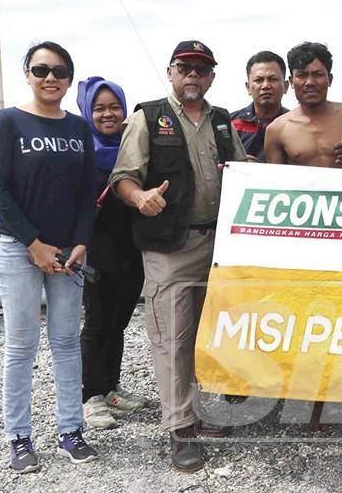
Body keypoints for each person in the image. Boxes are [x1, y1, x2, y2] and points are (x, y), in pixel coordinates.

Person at [109, 40, 247, 472]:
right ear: (171, 72)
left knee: (209, 335)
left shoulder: (224, 122)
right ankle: (180, 427)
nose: (193, 75)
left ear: (211, 77)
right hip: (170, 246)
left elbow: (246, 170)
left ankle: (199, 411)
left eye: (202, 69)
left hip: (219, 246)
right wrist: (141, 197)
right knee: (172, 338)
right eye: (185, 67)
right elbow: (123, 177)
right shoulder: (148, 117)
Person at [0, 41, 99, 472]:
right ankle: (19, 437)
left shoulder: (78, 128)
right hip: (20, 250)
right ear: (28, 74)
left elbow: (88, 192)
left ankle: (71, 431)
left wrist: (82, 241)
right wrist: (33, 244)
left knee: (67, 342)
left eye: (60, 70)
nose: (50, 77)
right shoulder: (8, 122)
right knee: (21, 345)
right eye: (41, 69)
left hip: (69, 253)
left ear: (69, 78)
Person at [76, 77, 146, 430]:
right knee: (97, 321)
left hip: (132, 245)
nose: (108, 114)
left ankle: (111, 386)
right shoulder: (82, 150)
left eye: (115, 107)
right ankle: (90, 396)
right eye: (99, 108)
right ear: (87, 111)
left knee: (119, 320)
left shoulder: (132, 146)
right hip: (95, 248)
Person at [264, 42, 342, 171]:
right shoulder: (276, 130)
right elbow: (274, 182)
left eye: (317, 74)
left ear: (329, 79)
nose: (310, 82)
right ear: (291, 81)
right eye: (302, 75)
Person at [230, 50, 290, 162]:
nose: (266, 85)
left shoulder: (294, 124)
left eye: (272, 79)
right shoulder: (230, 124)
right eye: (259, 80)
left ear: (286, 86)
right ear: (248, 87)